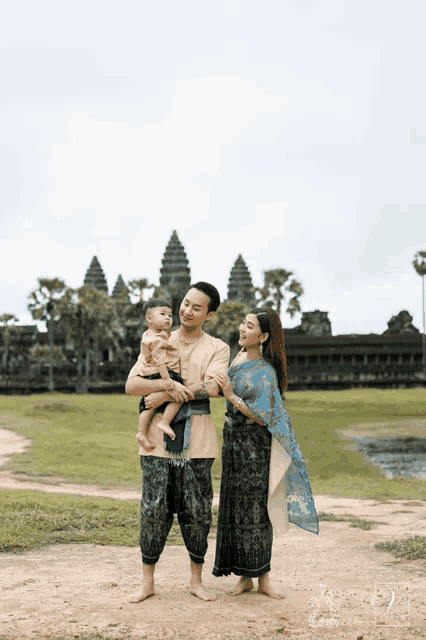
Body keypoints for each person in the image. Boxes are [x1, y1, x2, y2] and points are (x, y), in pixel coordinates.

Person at [125, 282, 230, 603]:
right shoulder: (157, 338)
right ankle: (148, 581)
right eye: (185, 303)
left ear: (209, 314)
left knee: (197, 511)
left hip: (198, 441)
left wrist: (170, 390)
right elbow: (131, 385)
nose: (187, 311)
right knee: (153, 509)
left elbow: (214, 388)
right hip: (156, 440)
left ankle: (196, 580)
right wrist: (169, 389)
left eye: (197, 308)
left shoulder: (218, 347)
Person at [213, 307, 319, 597]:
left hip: (254, 448)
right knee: (234, 508)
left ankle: (264, 578)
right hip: (233, 443)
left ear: (262, 336)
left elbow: (265, 416)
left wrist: (231, 396)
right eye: (243, 323)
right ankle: (243, 577)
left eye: (249, 326)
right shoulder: (236, 360)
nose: (242, 329)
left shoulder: (265, 371)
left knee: (258, 511)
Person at [128, 298, 182, 451]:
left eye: (170, 315)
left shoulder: (149, 334)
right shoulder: (157, 338)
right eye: (163, 314)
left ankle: (141, 432)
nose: (168, 318)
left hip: (150, 374)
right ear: (149, 318)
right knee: (178, 395)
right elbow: (159, 360)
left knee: (149, 404)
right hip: (159, 373)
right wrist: (166, 379)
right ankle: (165, 422)